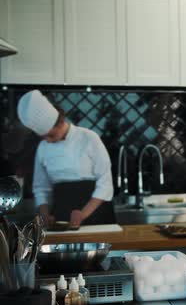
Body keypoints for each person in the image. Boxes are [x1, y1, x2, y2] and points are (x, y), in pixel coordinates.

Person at [17, 90, 115, 227]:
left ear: (61, 122)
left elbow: (105, 183)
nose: (47, 141)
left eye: (51, 135)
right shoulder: (43, 147)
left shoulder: (89, 138)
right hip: (61, 214)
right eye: (43, 136)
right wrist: (44, 213)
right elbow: (41, 188)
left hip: (95, 212)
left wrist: (83, 214)